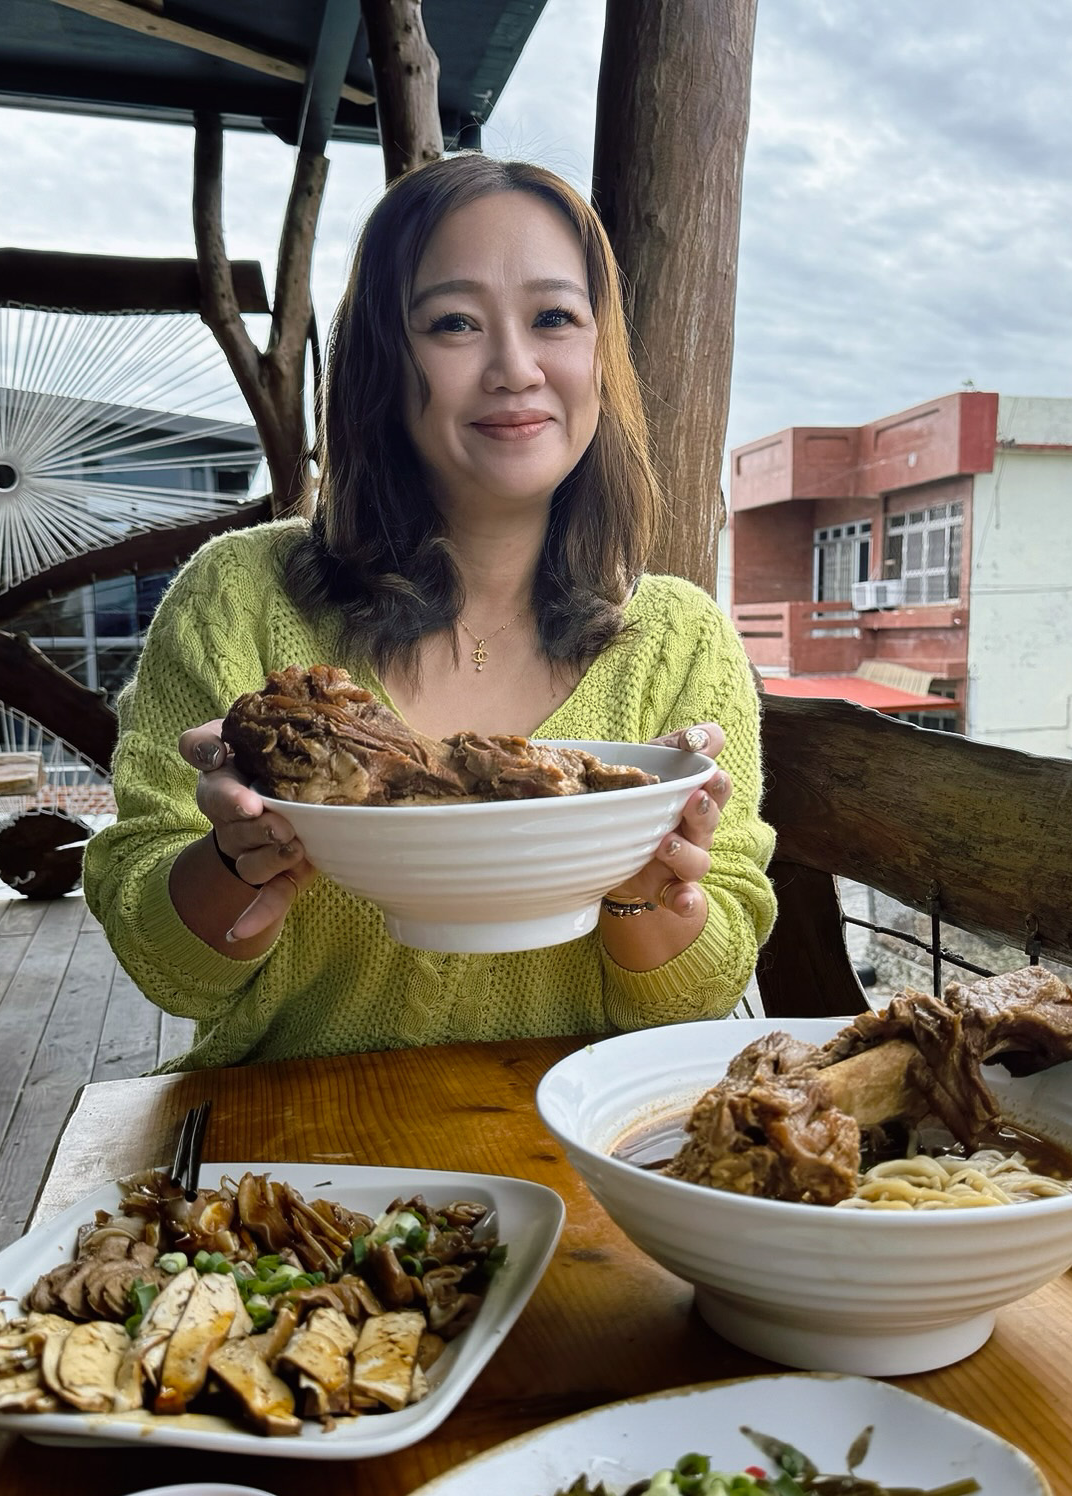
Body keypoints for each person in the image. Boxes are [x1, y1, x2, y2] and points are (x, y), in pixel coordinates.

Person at [83, 155, 776, 1067]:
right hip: (297, 1157)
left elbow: (704, 985)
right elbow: (162, 963)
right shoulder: (240, 599)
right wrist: (233, 863)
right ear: (381, 358)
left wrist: (645, 889)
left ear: (599, 358)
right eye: (453, 323)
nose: (515, 368)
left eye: (555, 318)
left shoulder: (678, 639)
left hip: (583, 1147)